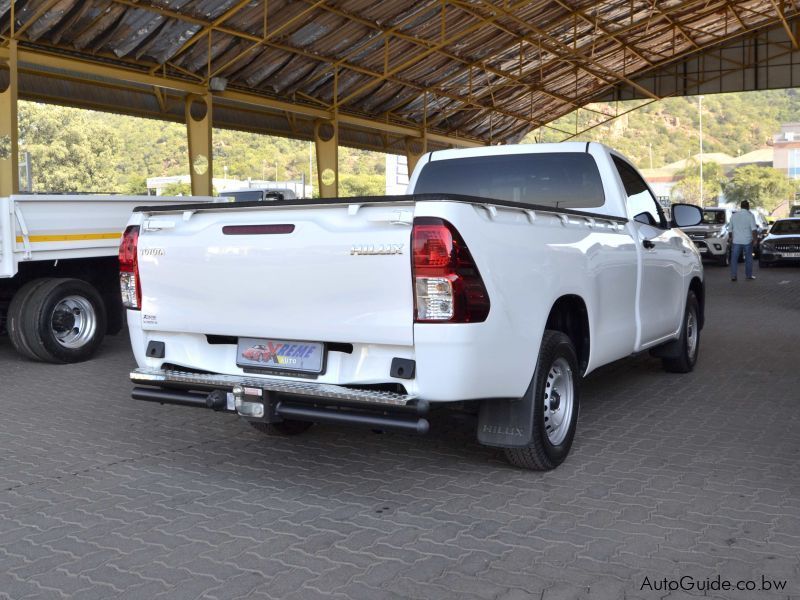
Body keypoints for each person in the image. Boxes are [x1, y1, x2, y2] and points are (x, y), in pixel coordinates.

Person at [728, 200, 758, 281]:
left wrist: (730, 238)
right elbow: (754, 229)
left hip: (736, 241)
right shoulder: (750, 216)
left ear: (741, 206)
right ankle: (749, 275)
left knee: (734, 259)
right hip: (747, 241)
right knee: (748, 258)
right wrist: (755, 239)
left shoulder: (734, 216)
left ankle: (733, 276)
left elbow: (730, 230)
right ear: (748, 207)